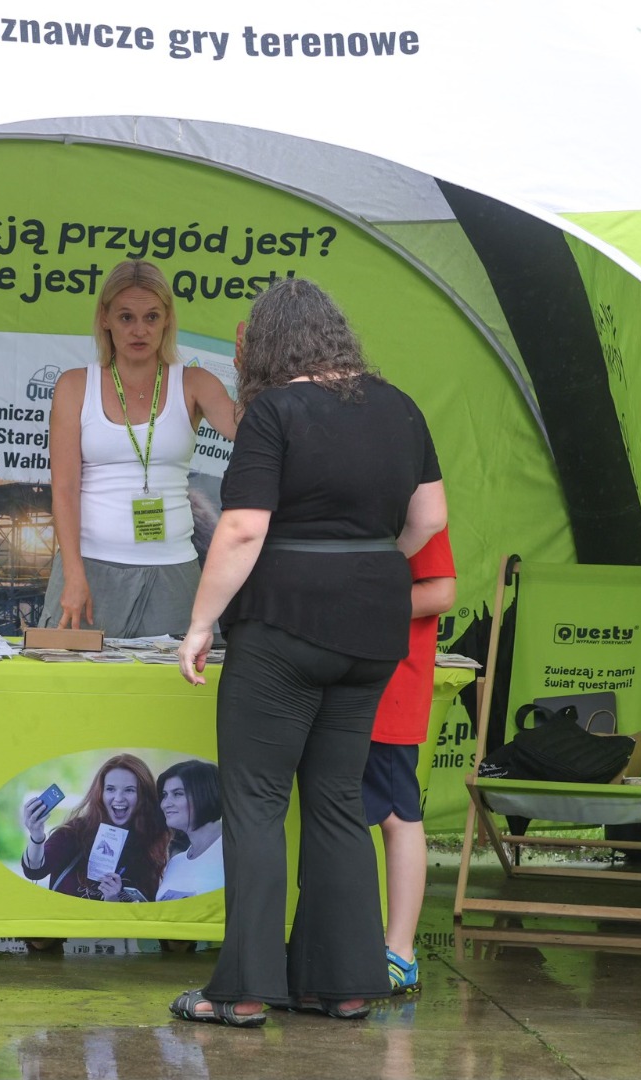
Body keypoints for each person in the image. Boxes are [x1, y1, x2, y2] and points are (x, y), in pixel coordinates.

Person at [169, 278, 446, 1028]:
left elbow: (240, 530)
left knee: (256, 802)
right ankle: (347, 983)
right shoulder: (399, 407)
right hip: (371, 627)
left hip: (283, 623)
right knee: (334, 802)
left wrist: (200, 624)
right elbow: (430, 517)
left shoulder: (274, 412)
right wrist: (366, 555)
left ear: (266, 344)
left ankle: (245, 989)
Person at [41, 260, 238, 638]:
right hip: (92, 567)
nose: (139, 330)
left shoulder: (194, 382)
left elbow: (246, 430)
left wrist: (255, 371)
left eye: (151, 317)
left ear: (167, 319)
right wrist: (74, 574)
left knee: (175, 693)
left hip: (174, 570)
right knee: (77, 691)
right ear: (105, 318)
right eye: (126, 317)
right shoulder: (75, 386)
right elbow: (64, 488)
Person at [366, 527, 455, 995]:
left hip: (392, 683)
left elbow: (442, 591)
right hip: (338, 678)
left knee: (398, 814)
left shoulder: (417, 501)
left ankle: (400, 952)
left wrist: (360, 603)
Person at [20, 753, 168, 902]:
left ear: (143, 795)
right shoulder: (74, 832)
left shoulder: (152, 845)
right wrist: (36, 837)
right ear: (100, 793)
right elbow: (34, 871)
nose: (118, 798)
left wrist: (112, 901)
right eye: (110, 789)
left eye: (129, 790)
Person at [154, 759, 225, 901]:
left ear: (204, 794)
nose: (165, 804)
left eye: (177, 794)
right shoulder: (176, 862)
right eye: (164, 795)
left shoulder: (238, 849)